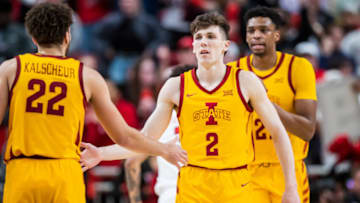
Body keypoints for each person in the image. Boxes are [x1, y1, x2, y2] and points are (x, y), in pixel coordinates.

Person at [81, 12, 300, 203]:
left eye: (211, 37)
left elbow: (279, 133)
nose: (204, 42)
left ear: (225, 45)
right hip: (193, 185)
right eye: (199, 37)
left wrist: (290, 187)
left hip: (237, 184)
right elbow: (146, 138)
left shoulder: (247, 82)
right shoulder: (175, 87)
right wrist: (101, 153)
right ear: (193, 46)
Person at [0, 2, 187, 203]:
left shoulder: (11, 69)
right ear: (67, 36)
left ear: (33, 38)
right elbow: (124, 136)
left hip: (22, 170)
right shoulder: (87, 77)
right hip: (65, 172)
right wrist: (164, 150)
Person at [227, 6, 317, 203]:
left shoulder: (298, 68)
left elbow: (308, 130)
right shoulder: (232, 72)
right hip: (246, 172)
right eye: (251, 31)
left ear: (277, 35)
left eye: (263, 30)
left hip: (287, 171)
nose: (256, 36)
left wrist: (264, 102)